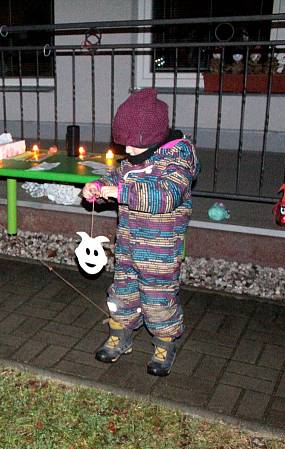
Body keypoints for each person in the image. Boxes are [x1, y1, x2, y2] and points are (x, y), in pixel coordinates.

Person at [81, 88, 199, 377]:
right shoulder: (137, 156)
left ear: (154, 136)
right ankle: (120, 335)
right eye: (124, 144)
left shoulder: (178, 159)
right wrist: (98, 185)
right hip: (129, 246)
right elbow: (118, 176)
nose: (128, 151)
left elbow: (166, 194)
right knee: (122, 294)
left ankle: (164, 344)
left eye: (133, 145)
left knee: (158, 300)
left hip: (161, 251)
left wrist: (121, 191)